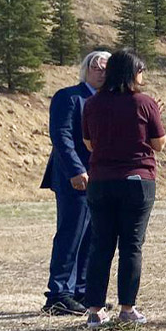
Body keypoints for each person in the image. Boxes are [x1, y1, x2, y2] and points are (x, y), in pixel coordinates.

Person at [80, 49, 164, 328]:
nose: (144, 76)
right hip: (136, 182)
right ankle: (127, 308)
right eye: (141, 70)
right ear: (132, 73)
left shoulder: (92, 103)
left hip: (101, 181)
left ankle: (94, 310)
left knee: (100, 245)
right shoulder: (144, 102)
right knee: (131, 246)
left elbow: (89, 144)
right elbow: (159, 143)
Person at [40, 50, 109, 316]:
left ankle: (82, 291)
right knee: (71, 234)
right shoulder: (68, 96)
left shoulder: (108, 101)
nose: (102, 72)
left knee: (92, 236)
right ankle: (58, 295)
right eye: (98, 67)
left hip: (101, 178)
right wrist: (76, 170)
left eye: (107, 68)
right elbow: (61, 136)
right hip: (74, 178)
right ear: (86, 69)